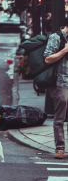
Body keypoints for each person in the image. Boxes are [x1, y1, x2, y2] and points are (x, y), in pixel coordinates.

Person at [44, 19, 68, 160]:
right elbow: (47, 59)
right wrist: (65, 50)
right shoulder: (56, 38)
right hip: (61, 83)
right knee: (60, 119)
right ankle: (60, 149)